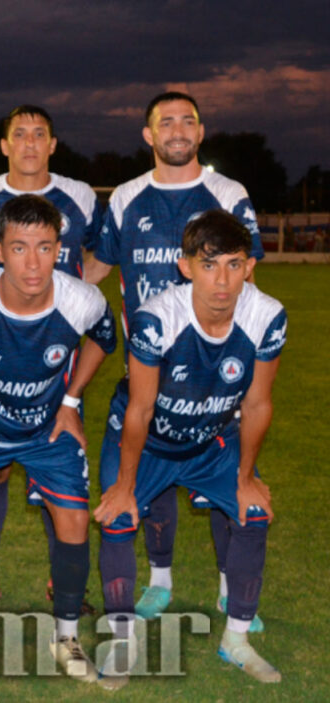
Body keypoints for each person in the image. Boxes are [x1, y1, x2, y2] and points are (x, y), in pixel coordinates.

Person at [84, 91, 266, 624]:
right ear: (149, 135)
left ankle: (230, 590)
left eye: (188, 121)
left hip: (214, 379)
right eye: (167, 122)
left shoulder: (227, 193)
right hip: (148, 372)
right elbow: (100, 266)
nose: (178, 130)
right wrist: (39, 289)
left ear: (201, 132)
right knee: (152, 482)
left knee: (230, 488)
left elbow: (248, 273)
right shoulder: (127, 197)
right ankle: (159, 581)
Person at [0, 194, 116, 684]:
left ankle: (66, 636)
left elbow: (105, 338)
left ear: (59, 249)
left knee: (74, 519)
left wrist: (71, 400)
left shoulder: (81, 299)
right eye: (19, 248)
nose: (33, 263)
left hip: (46, 429)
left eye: (44, 248)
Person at [95, 210, 285, 687]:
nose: (222, 280)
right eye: (209, 265)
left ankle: (236, 640)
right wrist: (124, 486)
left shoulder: (267, 315)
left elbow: (258, 404)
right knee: (117, 518)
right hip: (148, 442)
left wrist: (245, 478)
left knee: (253, 512)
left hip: (211, 441)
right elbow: (140, 409)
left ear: (249, 267)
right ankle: (122, 640)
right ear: (185, 267)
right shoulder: (157, 318)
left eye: (234, 265)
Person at [0, 104, 104, 613]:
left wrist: (74, 298)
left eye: (39, 134)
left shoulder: (80, 195)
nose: (30, 143)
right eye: (20, 134)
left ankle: (63, 583)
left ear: (52, 144)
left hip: (55, 344)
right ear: (5, 145)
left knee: (59, 461)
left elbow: (103, 255)